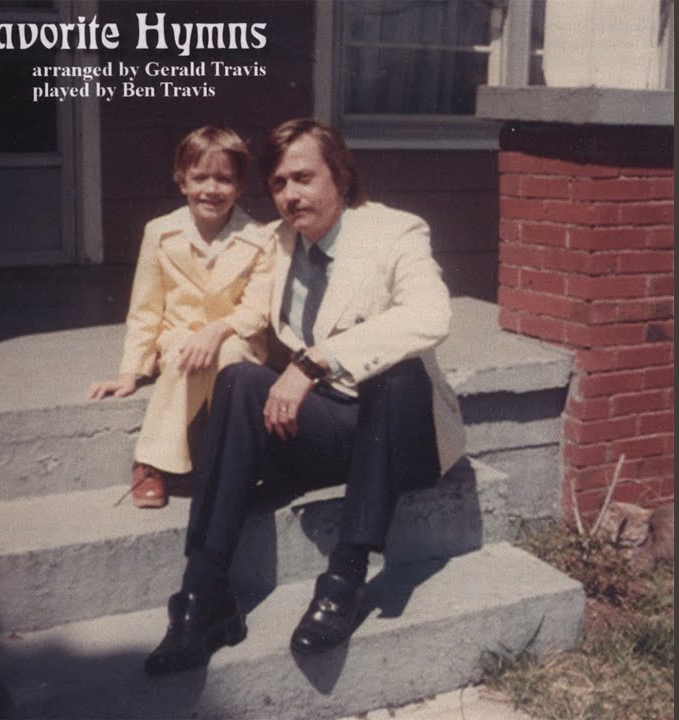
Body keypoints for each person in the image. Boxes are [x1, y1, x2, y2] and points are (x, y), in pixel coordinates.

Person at [144, 118, 466, 675]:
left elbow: (430, 314)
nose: (290, 195)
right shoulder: (276, 242)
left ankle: (344, 578)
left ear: (340, 175)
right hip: (326, 428)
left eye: (303, 178)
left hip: (396, 433)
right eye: (277, 184)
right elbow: (225, 302)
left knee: (398, 375)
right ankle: (204, 591)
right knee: (238, 380)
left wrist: (314, 363)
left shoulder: (395, 231)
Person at [87, 126, 274, 509]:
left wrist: (218, 331)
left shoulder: (260, 238)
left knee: (230, 355)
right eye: (200, 177)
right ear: (182, 180)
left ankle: (231, 461)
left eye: (224, 179)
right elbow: (146, 307)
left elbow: (257, 309)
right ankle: (152, 461)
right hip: (179, 339)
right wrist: (132, 370)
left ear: (240, 186)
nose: (211, 189)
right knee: (188, 353)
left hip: (236, 337)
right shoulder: (160, 232)